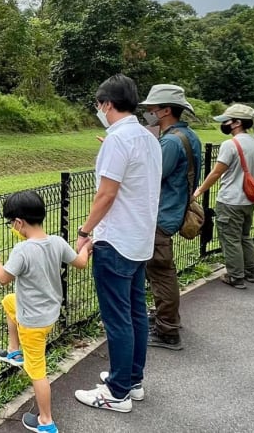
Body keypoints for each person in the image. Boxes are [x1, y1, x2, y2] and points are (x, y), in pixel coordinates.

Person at [73, 74, 162, 413]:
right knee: (136, 312)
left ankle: (117, 392)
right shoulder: (147, 137)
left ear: (107, 104)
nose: (99, 110)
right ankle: (131, 379)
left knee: (117, 318)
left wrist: (84, 232)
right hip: (140, 239)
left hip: (116, 241)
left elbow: (106, 194)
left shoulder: (118, 140)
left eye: (99, 105)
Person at [0, 190, 91, 433]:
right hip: (49, 313)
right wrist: (86, 248)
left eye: (11, 223)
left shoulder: (22, 250)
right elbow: (80, 264)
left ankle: (46, 422)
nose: (12, 227)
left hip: (32, 323)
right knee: (10, 302)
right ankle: (13, 351)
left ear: (18, 223)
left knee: (37, 371)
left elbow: (3, 277)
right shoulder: (58, 242)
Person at [139, 84, 202, 351]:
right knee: (161, 270)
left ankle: (168, 329)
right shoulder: (187, 136)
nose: (149, 114)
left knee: (161, 273)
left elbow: (150, 176)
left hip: (162, 215)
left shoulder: (171, 142)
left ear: (166, 110)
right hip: (174, 211)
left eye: (153, 109)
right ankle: (166, 318)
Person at [193, 104, 254, 288]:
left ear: (236, 123)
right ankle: (251, 271)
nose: (223, 124)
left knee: (230, 239)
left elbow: (216, 173)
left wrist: (199, 191)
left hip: (230, 200)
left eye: (226, 121)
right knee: (244, 236)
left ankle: (235, 276)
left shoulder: (230, 145)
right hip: (249, 199)